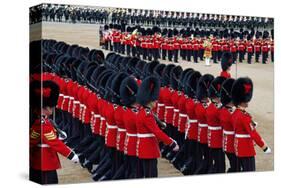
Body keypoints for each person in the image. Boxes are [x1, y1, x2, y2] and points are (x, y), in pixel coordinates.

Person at [30, 80, 79, 184]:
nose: (53, 109)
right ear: (46, 107)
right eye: (51, 107)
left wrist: (57, 135)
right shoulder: (42, 123)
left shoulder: (43, 120)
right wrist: (71, 155)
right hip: (45, 163)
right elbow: (53, 143)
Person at [136, 76, 179, 178]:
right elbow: (157, 132)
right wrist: (171, 143)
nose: (156, 102)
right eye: (154, 100)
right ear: (149, 100)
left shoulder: (144, 111)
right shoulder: (147, 114)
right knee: (151, 176)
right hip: (148, 149)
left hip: (145, 148)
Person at [231, 77, 271, 172]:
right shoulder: (244, 117)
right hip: (246, 150)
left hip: (238, 147)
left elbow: (239, 127)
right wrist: (264, 147)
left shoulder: (235, 114)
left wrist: (251, 124)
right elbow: (254, 134)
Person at [219, 78, 237, 172]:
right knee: (236, 167)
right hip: (232, 145)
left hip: (227, 143)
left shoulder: (223, 110)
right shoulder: (230, 113)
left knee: (234, 166)